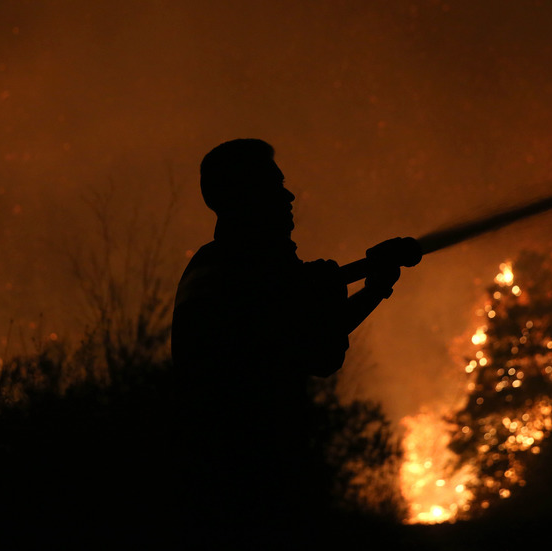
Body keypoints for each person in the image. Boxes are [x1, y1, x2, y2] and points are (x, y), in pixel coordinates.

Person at [171, 139, 417, 541]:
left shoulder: (218, 266)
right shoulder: (246, 272)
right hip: (248, 480)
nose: (289, 196)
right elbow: (317, 351)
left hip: (227, 475)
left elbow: (304, 339)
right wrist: (330, 294)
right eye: (273, 186)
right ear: (243, 196)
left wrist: (372, 289)